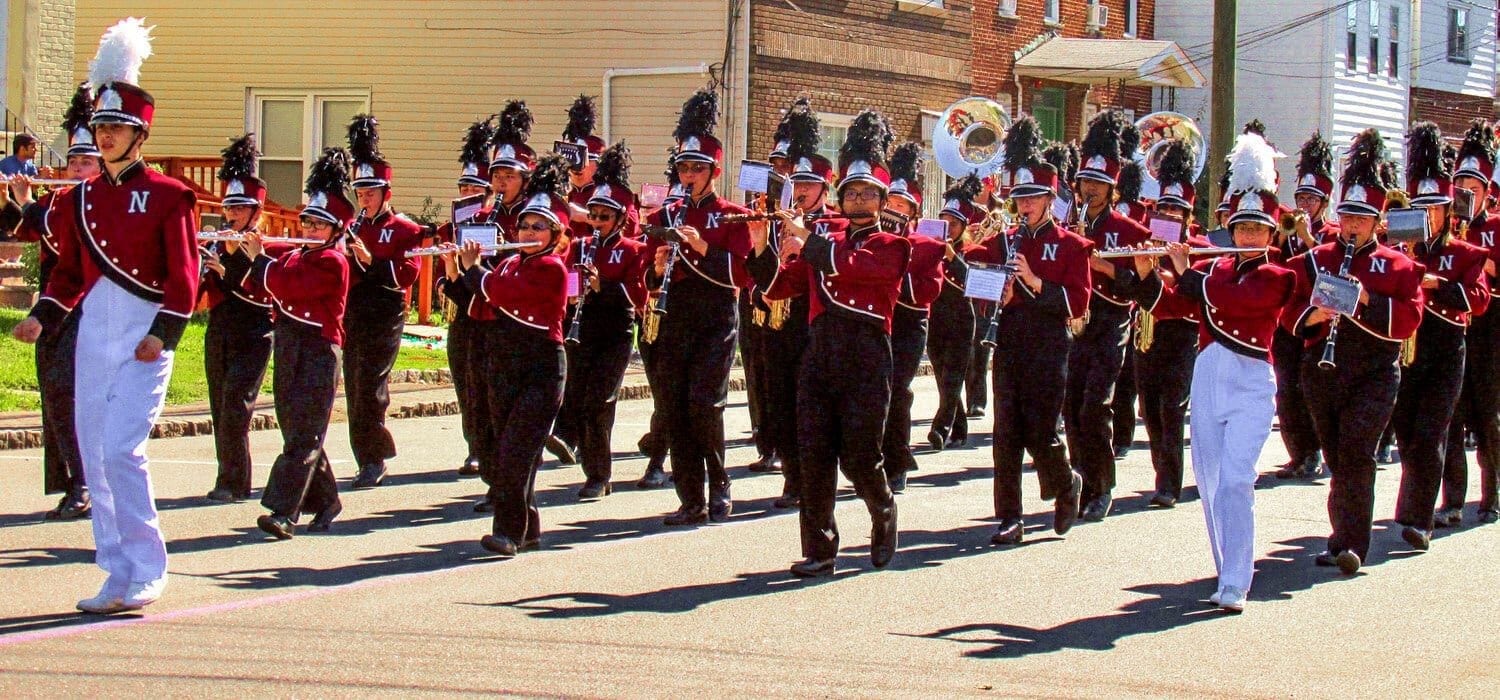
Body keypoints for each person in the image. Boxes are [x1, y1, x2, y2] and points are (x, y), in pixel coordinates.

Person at [12, 18, 197, 613]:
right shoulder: (81, 198)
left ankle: (147, 568)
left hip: (145, 332)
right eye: (102, 126)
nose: (108, 135)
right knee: (93, 455)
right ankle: (115, 572)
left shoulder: (171, 194)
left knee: (121, 450)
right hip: (94, 330)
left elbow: (185, 275)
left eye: (118, 127)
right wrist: (44, 315)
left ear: (140, 134)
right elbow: (69, 272)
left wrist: (163, 333)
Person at [749, 109, 908, 576]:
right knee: (814, 456)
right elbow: (780, 287)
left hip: (866, 356)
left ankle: (883, 509)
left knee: (860, 458)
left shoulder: (893, 244)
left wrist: (810, 242)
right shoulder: (823, 239)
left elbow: (860, 269)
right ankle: (820, 549)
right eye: (851, 192)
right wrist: (761, 246)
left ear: (881, 200)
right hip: (819, 354)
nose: (858, 199)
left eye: (867, 193)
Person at [1146, 133, 1295, 612]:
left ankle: (1237, 579)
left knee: (1236, 478)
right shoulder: (1217, 270)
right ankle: (1227, 569)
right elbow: (1175, 306)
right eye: (1242, 228)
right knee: (1209, 479)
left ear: (1270, 235)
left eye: (1257, 230)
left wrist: (1188, 273)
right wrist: (1144, 273)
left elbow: (1241, 302)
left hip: (1250, 380)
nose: (1248, 237)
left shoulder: (1278, 274)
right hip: (1209, 372)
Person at [1284, 128, 1424, 576]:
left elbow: (1410, 318)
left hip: (1374, 372)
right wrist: (1314, 316)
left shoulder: (1400, 265)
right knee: (1336, 455)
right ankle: (1340, 534)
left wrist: (1365, 299)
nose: (1352, 226)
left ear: (1378, 221)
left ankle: (1352, 544)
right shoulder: (1316, 258)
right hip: (1322, 368)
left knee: (1358, 453)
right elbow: (1288, 311)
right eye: (1347, 216)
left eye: (1362, 219)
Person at [964, 116, 1091, 546]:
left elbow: (1078, 303)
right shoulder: (1005, 240)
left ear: (1050, 199)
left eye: (1033, 197)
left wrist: (1035, 282)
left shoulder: (1072, 246)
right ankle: (1009, 518)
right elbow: (970, 266)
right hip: (1010, 339)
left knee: (1040, 431)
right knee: (1006, 434)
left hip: (1049, 343)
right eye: (1019, 197)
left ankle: (1066, 482)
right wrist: (990, 289)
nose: (1025, 205)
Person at [452, 154, 573, 557]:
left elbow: (507, 296)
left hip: (541, 367)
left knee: (515, 454)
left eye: (539, 226)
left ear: (555, 234)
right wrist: (456, 271)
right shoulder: (507, 266)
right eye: (524, 225)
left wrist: (475, 270)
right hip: (506, 365)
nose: (528, 231)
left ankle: (507, 532)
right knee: (507, 449)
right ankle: (529, 528)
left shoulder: (552, 268)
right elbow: (480, 306)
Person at [645, 88, 752, 525]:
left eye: (697, 168)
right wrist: (656, 268)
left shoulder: (731, 215)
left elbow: (742, 274)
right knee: (674, 405)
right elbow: (647, 279)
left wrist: (704, 247)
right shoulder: (664, 216)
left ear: (714, 172)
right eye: (683, 168)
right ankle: (690, 497)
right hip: (675, 314)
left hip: (715, 315)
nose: (688, 175)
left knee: (705, 404)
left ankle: (720, 483)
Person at [1390, 122, 1490, 551]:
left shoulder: (1465, 252)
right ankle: (1413, 505)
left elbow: (1478, 300)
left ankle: (1421, 519)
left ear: (1448, 211)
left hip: (1447, 348)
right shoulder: (1397, 251)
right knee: (1407, 433)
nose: (1426, 216)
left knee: (1433, 432)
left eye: (1434, 208)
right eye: (1420, 208)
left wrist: (1438, 285)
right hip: (1407, 349)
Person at [3, 83, 100, 520]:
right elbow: (23, 231)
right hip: (52, 305)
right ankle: (71, 482)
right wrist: (14, 201)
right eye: (74, 161)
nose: (77, 168)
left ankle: (86, 483)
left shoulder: (99, 203)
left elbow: (66, 240)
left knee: (73, 396)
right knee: (54, 395)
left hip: (87, 307)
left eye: (86, 162)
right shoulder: (57, 199)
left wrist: (29, 207)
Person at [246, 148, 352, 540]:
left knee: (305, 433)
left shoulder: (333, 261)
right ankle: (327, 500)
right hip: (290, 344)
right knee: (296, 430)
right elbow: (264, 279)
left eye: (319, 225)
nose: (309, 229)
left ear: (335, 230)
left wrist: (259, 260)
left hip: (318, 350)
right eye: (307, 221)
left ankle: (283, 511)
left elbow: (292, 287)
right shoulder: (295, 255)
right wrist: (242, 246)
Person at [747, 98, 840, 508]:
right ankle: (790, 474)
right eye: (796, 183)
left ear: (824, 188)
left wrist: (803, 243)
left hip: (814, 324)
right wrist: (759, 243)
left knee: (810, 407)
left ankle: (810, 479)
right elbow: (763, 277)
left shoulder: (833, 225)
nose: (800, 191)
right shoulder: (778, 218)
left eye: (808, 185)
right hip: (777, 322)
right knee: (779, 401)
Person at [1066, 111, 1152, 523]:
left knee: (1094, 406)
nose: (1091, 190)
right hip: (1074, 323)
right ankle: (1080, 481)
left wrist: (1102, 266)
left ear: (1112, 189)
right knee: (1070, 407)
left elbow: (1143, 288)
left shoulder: (1131, 230)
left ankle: (1102, 487)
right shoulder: (1068, 224)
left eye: (1099, 184)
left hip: (1110, 322)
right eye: (1086, 182)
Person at [554, 142, 648, 500]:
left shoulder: (633, 250)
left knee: (600, 401)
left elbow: (638, 296)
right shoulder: (579, 246)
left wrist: (601, 285)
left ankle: (599, 475)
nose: (595, 222)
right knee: (578, 399)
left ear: (621, 220)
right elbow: (567, 282)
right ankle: (586, 459)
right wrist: (573, 292)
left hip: (615, 332)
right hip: (582, 329)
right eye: (592, 215)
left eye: (604, 217)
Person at [342, 114, 425, 489]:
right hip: (354, 311)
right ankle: (366, 455)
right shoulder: (352, 227)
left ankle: (373, 458)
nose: (364, 199)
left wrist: (369, 260)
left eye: (371, 193)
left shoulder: (404, 229)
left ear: (386, 194)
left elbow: (408, 274)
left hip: (385, 312)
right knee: (354, 384)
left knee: (370, 387)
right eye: (360, 193)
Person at [1128, 139, 1206, 508]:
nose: (1170, 215)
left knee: (1172, 408)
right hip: (1146, 333)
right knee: (1149, 409)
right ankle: (1162, 471)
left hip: (1181, 335)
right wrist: (1141, 269)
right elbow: (1128, 286)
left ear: (1188, 216)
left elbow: (1194, 298)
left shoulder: (1200, 248)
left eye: (1177, 210)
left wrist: (1174, 271)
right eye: (1165, 209)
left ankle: (1169, 484)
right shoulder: (1145, 242)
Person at [201, 134, 279, 502]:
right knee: (219, 404)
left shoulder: (265, 246)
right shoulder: (218, 240)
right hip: (219, 327)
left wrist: (230, 266)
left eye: (240, 208)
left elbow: (263, 292)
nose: (232, 214)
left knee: (236, 405)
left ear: (255, 211)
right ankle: (227, 476)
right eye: (229, 207)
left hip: (254, 331)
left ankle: (235, 481)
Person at [1441, 119, 1500, 525]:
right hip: (1454, 326)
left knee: (1489, 413)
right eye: (1459, 185)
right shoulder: (1446, 227)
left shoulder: (1496, 225)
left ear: (1486, 191)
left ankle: (1491, 494)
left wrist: (1478, 260)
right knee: (1453, 413)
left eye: (1472, 187)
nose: (1464, 192)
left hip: (1491, 326)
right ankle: (1453, 500)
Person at [1273, 132, 1341, 479]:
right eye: (1301, 197)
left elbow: (1329, 271)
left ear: (1324, 203)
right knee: (1286, 390)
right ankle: (1297, 452)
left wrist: (1307, 238)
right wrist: (1281, 238)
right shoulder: (1283, 230)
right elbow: (1273, 267)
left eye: (1311, 199)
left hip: (1317, 321)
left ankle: (1316, 451)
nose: (1304, 204)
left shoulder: (1332, 234)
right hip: (1287, 318)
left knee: (1312, 390)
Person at [435, 116, 496, 478]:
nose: (468, 192)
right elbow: (443, 275)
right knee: (465, 381)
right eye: (464, 186)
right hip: (461, 311)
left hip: (487, 308)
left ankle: (489, 448)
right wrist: (446, 272)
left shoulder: (494, 224)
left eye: (475, 187)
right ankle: (473, 446)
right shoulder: (449, 226)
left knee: (486, 384)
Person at [882, 142, 945, 493]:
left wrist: (895, 270)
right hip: (877, 323)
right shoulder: (872, 239)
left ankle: (896, 461)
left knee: (896, 391)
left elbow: (929, 291)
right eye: (889, 203)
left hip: (908, 326)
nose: (893, 209)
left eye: (901, 206)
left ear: (913, 213)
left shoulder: (927, 246)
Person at [926, 175, 984, 452]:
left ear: (964, 227)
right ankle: (959, 427)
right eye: (944, 221)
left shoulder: (972, 250)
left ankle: (940, 428)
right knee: (941, 376)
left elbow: (973, 281)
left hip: (961, 320)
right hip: (935, 317)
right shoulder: (931, 249)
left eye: (954, 223)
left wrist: (951, 255)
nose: (948, 228)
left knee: (952, 377)